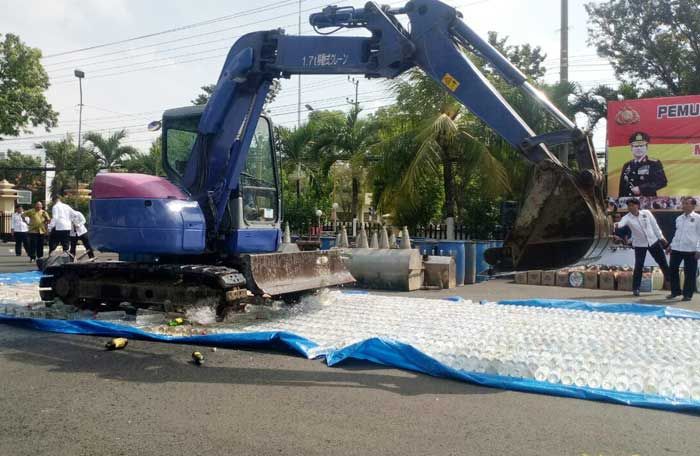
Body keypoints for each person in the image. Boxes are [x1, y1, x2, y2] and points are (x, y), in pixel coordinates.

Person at [615, 198, 670, 296]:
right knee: (639, 266)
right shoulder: (627, 217)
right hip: (640, 244)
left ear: (637, 205)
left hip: (653, 241)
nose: (630, 207)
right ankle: (636, 288)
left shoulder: (646, 213)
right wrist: (615, 225)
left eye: (632, 205)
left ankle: (672, 283)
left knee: (662, 262)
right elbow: (620, 224)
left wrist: (661, 237)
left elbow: (655, 226)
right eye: (629, 206)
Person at [666, 197, 700, 301]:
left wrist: (698, 249)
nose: (684, 205)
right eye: (683, 203)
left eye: (687, 203)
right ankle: (675, 291)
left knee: (689, 272)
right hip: (677, 248)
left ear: (693, 206)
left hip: (691, 250)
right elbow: (677, 234)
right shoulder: (679, 218)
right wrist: (671, 245)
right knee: (672, 270)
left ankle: (687, 294)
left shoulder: (698, 218)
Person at [618, 132, 668, 197]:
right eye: (636, 146)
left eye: (641, 146)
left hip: (646, 201)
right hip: (629, 202)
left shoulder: (654, 163)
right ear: (631, 148)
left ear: (646, 147)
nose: (639, 148)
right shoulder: (627, 165)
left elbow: (662, 182)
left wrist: (641, 188)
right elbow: (622, 187)